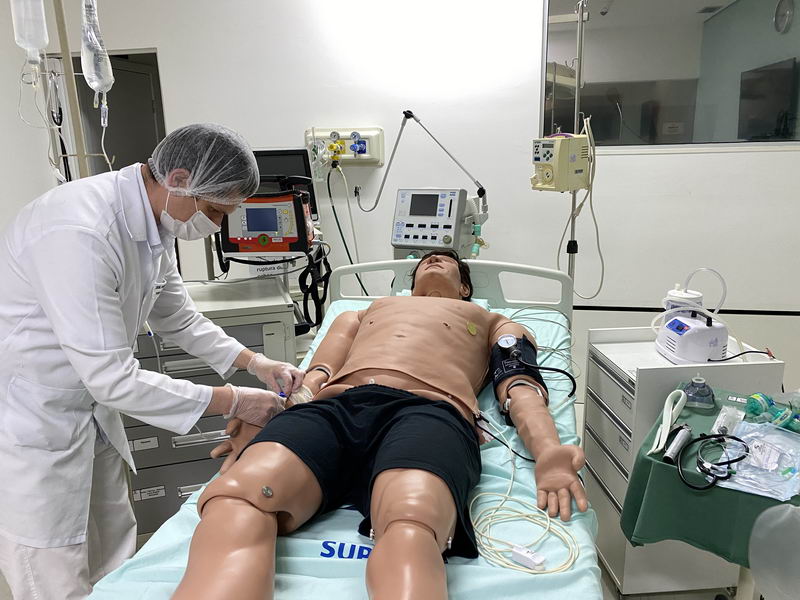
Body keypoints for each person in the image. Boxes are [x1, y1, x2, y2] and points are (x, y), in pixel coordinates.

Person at [173, 249, 587, 600]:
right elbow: (315, 378)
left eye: (446, 261)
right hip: (336, 409)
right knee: (237, 497)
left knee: (412, 521)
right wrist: (272, 414)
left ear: (465, 288)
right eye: (426, 260)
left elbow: (518, 386)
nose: (434, 259)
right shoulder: (364, 312)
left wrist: (548, 450)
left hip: (428, 412)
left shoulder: (494, 321)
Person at [0, 123, 303, 600]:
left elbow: (177, 317)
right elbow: (113, 379)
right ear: (179, 179)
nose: (216, 225)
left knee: (112, 553)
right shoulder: (80, 231)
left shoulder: (153, 223)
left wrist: (256, 363)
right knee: (54, 570)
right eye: (215, 210)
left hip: (89, 410)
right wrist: (235, 401)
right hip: (35, 417)